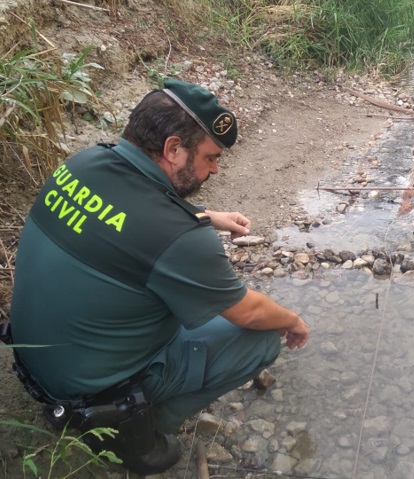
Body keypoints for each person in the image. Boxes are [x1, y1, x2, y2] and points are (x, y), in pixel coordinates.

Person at [8, 79, 309, 475]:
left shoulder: (81, 164)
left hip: (34, 363)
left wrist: (206, 215)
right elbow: (248, 313)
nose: (215, 169)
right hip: (88, 392)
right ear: (172, 149)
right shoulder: (181, 239)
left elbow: (126, 223)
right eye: (210, 158)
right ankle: (134, 429)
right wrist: (293, 320)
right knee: (263, 337)